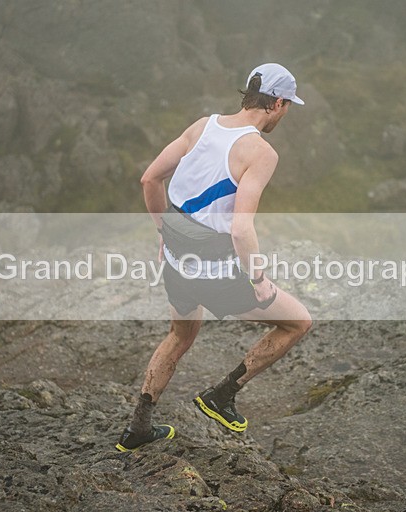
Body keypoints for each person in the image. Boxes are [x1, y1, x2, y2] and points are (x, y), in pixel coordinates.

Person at [116, 63, 313, 452]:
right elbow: (241, 229)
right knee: (298, 323)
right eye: (288, 105)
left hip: (175, 260)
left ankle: (138, 427)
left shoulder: (202, 125)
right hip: (214, 271)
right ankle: (221, 396)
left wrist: (163, 232)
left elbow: (150, 179)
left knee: (179, 335)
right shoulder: (260, 152)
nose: (286, 112)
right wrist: (258, 280)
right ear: (276, 103)